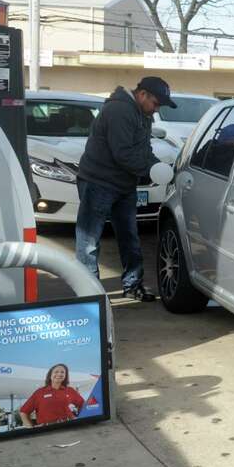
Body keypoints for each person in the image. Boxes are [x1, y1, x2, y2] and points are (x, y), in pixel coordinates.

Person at [76, 76, 176, 301]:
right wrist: (150, 170)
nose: (156, 109)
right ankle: (89, 295)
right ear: (142, 95)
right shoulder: (120, 111)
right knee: (89, 240)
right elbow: (123, 153)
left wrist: (158, 166)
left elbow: (143, 150)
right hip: (98, 182)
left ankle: (133, 285)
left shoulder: (143, 115)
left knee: (129, 237)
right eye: (156, 104)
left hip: (124, 184)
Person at [19, 364, 85, 428]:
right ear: (50, 375)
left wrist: (80, 419)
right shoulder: (40, 392)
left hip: (69, 426)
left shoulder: (70, 390)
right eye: (56, 372)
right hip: (47, 431)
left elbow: (83, 404)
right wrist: (31, 429)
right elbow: (24, 412)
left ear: (65, 376)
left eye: (62, 372)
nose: (59, 374)